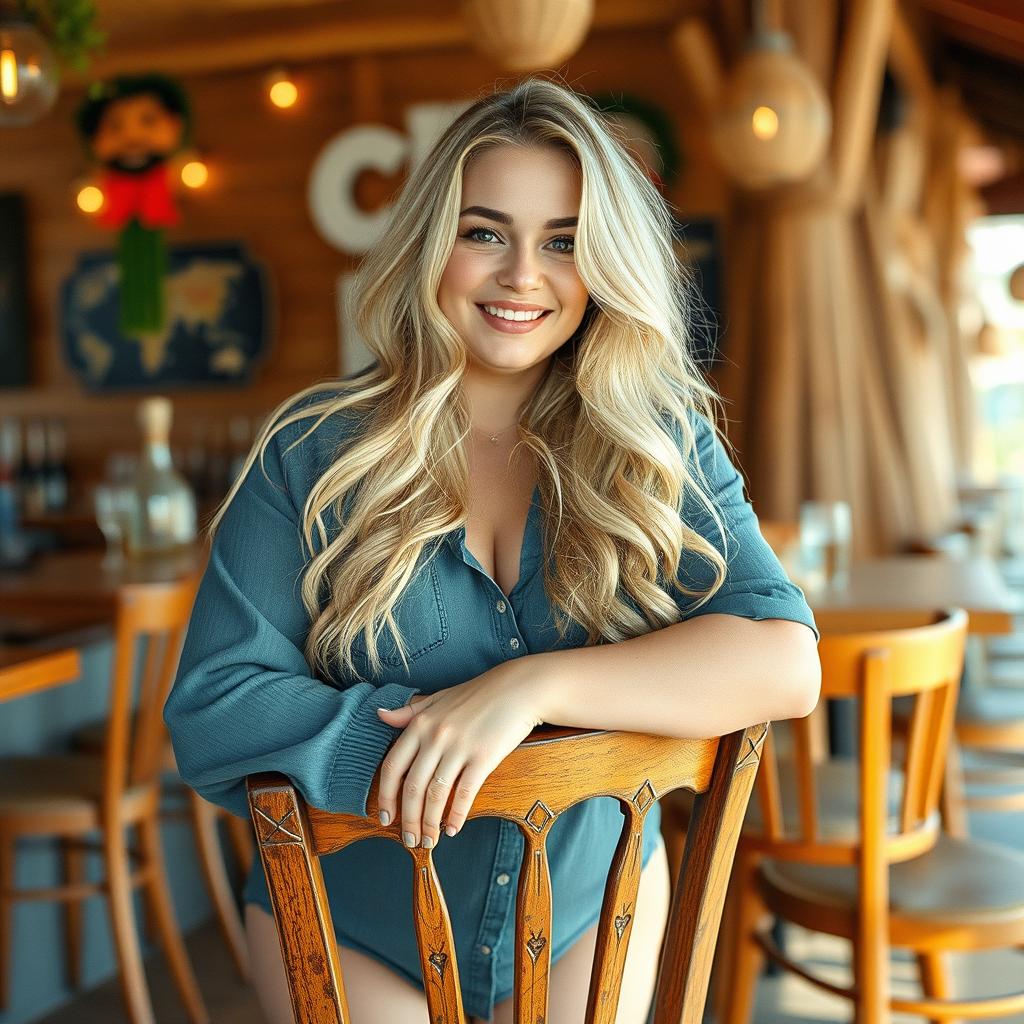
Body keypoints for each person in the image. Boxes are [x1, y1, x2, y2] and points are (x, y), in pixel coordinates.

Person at [163, 76, 821, 1024]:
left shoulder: (657, 437)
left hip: (599, 909)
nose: (523, 274)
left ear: (602, 263)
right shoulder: (310, 449)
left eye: (562, 241)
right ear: (434, 244)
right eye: (484, 233)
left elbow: (784, 660)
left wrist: (527, 692)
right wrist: (428, 752)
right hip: (356, 926)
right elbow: (217, 707)